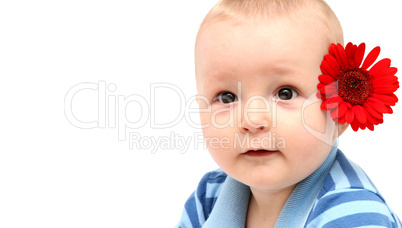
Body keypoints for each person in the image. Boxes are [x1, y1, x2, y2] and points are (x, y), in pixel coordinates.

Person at [176, 0, 401, 227]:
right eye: (227, 97)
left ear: (341, 109)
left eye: (285, 93)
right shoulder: (208, 198)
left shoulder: (353, 213)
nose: (252, 120)